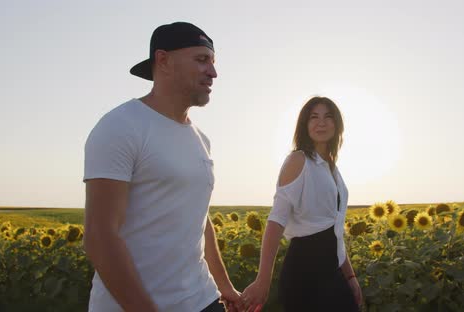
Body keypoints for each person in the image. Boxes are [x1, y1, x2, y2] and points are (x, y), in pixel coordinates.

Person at [83, 22, 242, 312]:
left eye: (213, 62)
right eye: (201, 59)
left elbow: (199, 220)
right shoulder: (121, 126)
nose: (213, 72)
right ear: (163, 60)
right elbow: (99, 235)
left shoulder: (200, 139)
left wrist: (224, 286)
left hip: (203, 300)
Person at [241, 97, 362, 311]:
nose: (321, 123)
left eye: (328, 117)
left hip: (333, 271)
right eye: (314, 117)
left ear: (337, 125)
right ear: (305, 125)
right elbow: (276, 221)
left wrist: (350, 276)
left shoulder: (333, 169)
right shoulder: (299, 160)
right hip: (304, 272)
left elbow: (335, 231)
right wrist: (263, 279)